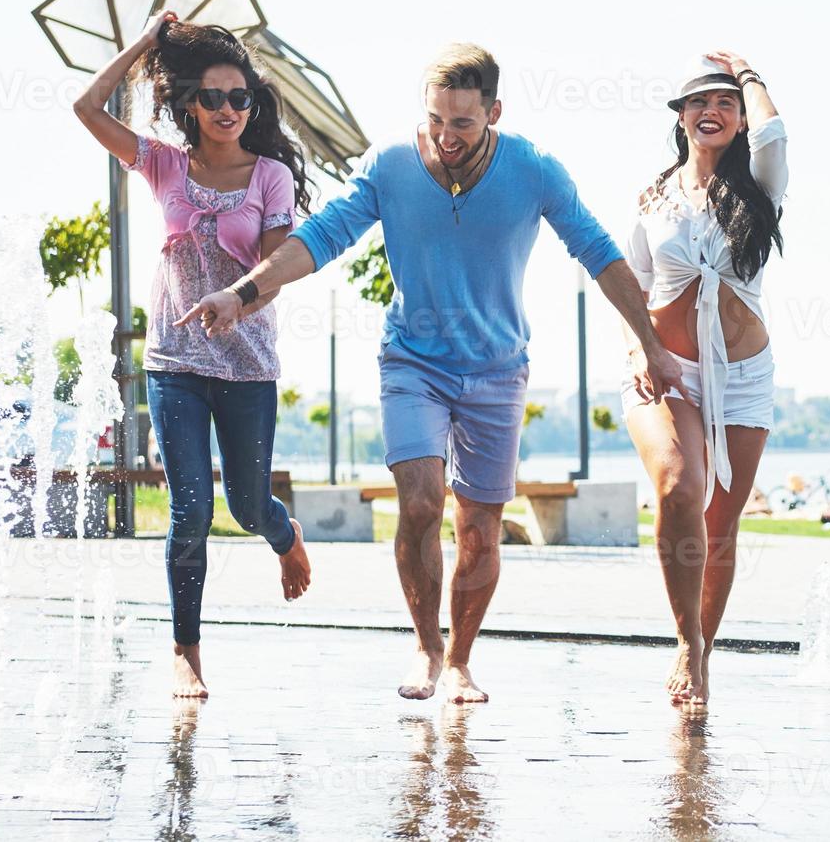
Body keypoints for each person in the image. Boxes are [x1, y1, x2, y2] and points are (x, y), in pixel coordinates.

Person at [177, 43, 686, 703]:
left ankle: (461, 663)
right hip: (412, 363)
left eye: (463, 124)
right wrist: (242, 293)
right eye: (436, 120)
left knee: (477, 528)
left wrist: (647, 342)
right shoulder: (389, 164)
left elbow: (598, 252)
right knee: (419, 502)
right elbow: (323, 236)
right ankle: (425, 646)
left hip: (497, 372)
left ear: (493, 113)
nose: (446, 137)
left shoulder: (534, 170)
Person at [73, 10, 312, 699]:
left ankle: (282, 531)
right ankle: (186, 651)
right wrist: (145, 43)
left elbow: (272, 272)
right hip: (173, 361)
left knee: (245, 503)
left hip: (245, 365)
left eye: (239, 96)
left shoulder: (270, 177)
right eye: (212, 97)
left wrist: (238, 295)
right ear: (190, 105)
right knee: (190, 511)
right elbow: (85, 107)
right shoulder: (163, 165)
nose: (228, 108)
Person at [622, 51, 789, 705]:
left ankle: (700, 653)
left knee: (721, 527)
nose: (711, 111)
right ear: (680, 118)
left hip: (744, 376)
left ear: (740, 119)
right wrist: (639, 350)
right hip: (664, 370)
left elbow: (775, 134)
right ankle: (686, 640)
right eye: (698, 102)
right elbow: (632, 282)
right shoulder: (654, 197)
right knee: (676, 485)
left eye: (725, 104)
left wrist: (749, 76)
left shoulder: (760, 188)